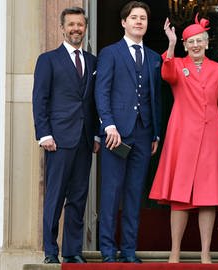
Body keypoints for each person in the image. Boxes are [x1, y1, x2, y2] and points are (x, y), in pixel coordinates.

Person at [149, 15, 218, 264]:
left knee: (208, 197)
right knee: (180, 195)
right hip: (183, 135)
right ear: (185, 45)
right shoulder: (176, 64)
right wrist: (171, 43)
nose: (196, 45)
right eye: (191, 42)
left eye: (200, 41)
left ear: (207, 43)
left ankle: (205, 253)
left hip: (212, 137)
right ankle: (175, 251)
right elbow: (166, 74)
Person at [94, 1, 162, 263]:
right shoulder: (110, 53)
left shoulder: (154, 57)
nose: (138, 22)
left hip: (144, 133)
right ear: (124, 22)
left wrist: (155, 132)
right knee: (112, 192)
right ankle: (108, 251)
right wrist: (107, 125)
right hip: (116, 134)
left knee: (135, 194)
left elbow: (155, 98)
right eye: (133, 17)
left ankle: (129, 250)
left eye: (143, 18)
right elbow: (102, 91)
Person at [32, 7, 99, 264]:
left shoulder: (93, 62)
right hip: (57, 140)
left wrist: (96, 135)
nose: (76, 29)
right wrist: (44, 134)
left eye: (80, 25)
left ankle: (72, 251)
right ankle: (51, 251)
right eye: (71, 24)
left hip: (84, 140)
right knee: (55, 197)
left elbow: (94, 103)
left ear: (84, 28)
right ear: (62, 28)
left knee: (79, 198)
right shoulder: (47, 60)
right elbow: (40, 100)